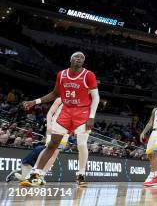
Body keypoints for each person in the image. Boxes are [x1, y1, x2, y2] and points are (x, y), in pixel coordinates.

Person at [21, 52, 99, 187]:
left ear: (83, 62)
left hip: (83, 112)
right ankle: (36, 174)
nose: (79, 58)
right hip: (66, 111)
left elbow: (96, 97)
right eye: (76, 56)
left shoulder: (89, 75)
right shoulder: (62, 74)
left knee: (81, 144)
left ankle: (81, 174)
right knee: (52, 144)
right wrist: (35, 101)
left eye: (82, 58)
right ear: (70, 59)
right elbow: (55, 94)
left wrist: (92, 116)